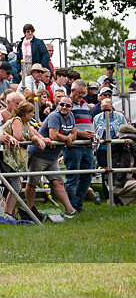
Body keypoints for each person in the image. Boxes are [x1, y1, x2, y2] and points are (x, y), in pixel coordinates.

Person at [24, 96, 77, 216]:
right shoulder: (54, 116)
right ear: (58, 104)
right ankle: (30, 209)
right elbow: (53, 135)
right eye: (62, 104)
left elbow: (74, 132)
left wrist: (69, 138)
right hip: (39, 153)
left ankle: (70, 209)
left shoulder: (71, 116)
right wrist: (67, 139)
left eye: (67, 106)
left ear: (71, 108)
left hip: (52, 156)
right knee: (32, 182)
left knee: (58, 182)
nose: (64, 107)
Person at [0, 101, 48, 217]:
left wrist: (38, 140)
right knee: (10, 185)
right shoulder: (17, 120)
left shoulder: (26, 123)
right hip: (8, 156)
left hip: (15, 157)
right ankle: (5, 212)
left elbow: (32, 135)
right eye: (31, 113)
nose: (33, 115)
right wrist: (28, 141)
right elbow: (18, 136)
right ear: (26, 113)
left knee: (16, 186)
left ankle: (8, 213)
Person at [66, 79, 94, 211]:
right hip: (74, 146)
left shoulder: (85, 104)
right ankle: (71, 206)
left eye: (84, 93)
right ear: (72, 91)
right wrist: (80, 133)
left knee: (87, 176)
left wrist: (94, 134)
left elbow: (89, 122)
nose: (83, 95)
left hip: (87, 146)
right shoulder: (66, 104)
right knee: (73, 177)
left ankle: (78, 203)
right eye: (80, 93)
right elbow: (65, 126)